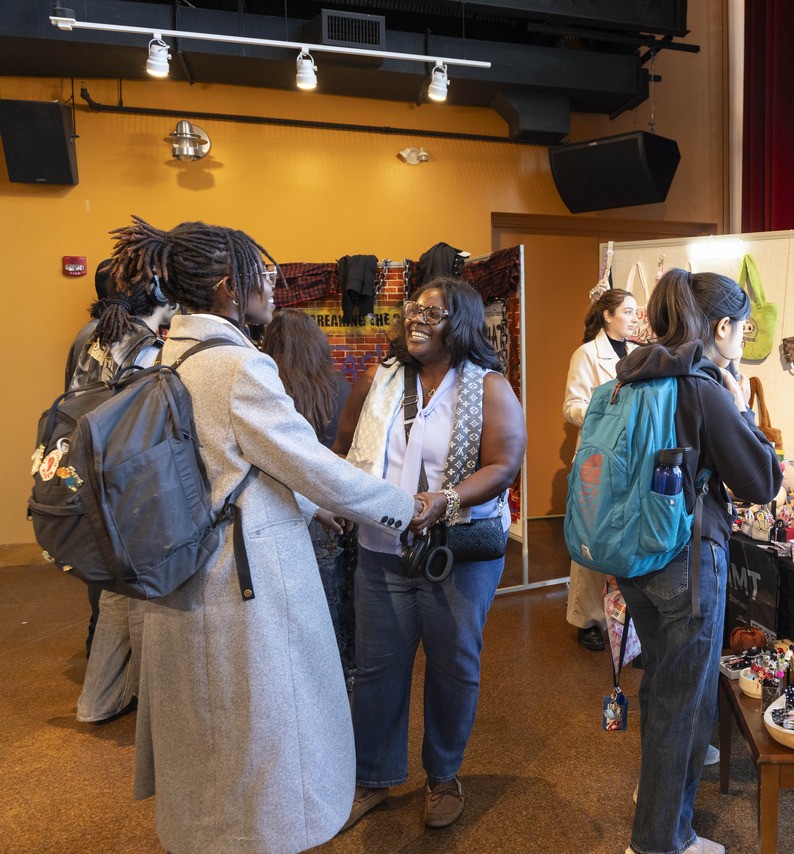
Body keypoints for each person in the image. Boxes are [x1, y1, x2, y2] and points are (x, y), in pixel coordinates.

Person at [110, 215, 428, 854]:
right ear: (229, 286)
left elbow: (237, 466)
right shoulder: (238, 367)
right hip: (243, 580)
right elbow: (308, 464)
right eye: (265, 274)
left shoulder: (165, 352)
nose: (276, 284)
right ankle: (266, 835)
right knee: (263, 724)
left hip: (182, 566)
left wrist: (316, 510)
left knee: (203, 724)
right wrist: (402, 507)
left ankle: (200, 833)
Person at [335, 275, 527, 832]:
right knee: (377, 669)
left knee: (453, 666)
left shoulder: (489, 386)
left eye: (432, 313)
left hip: (458, 555)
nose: (415, 319)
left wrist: (444, 500)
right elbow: (344, 448)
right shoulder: (378, 380)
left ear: (461, 323)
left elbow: (503, 465)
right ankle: (372, 776)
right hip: (381, 550)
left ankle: (443, 775)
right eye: (412, 310)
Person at [615, 268, 784, 854]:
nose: (741, 342)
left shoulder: (633, 372)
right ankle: (662, 840)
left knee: (664, 687)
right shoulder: (703, 385)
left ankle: (658, 806)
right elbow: (762, 480)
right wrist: (743, 408)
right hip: (686, 560)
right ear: (722, 326)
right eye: (740, 330)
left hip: (633, 555)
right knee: (683, 704)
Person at [67, 256, 177, 724]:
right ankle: (154, 714)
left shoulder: (87, 334)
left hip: (85, 475)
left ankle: (98, 702)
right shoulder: (149, 348)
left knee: (114, 593)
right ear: (155, 293)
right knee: (141, 594)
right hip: (127, 485)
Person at [261, 309, 356, 686]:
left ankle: (303, 674)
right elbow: (350, 455)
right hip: (335, 506)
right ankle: (344, 671)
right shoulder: (341, 388)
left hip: (285, 508)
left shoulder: (269, 389)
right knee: (339, 593)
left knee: (293, 602)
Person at [562, 288, 638, 651]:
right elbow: (571, 405)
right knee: (590, 538)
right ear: (607, 315)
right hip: (596, 457)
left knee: (623, 536)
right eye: (628, 311)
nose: (634, 317)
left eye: (637, 311)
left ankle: (626, 618)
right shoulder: (587, 353)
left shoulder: (640, 354)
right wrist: (606, 412)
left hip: (631, 457)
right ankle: (587, 618)